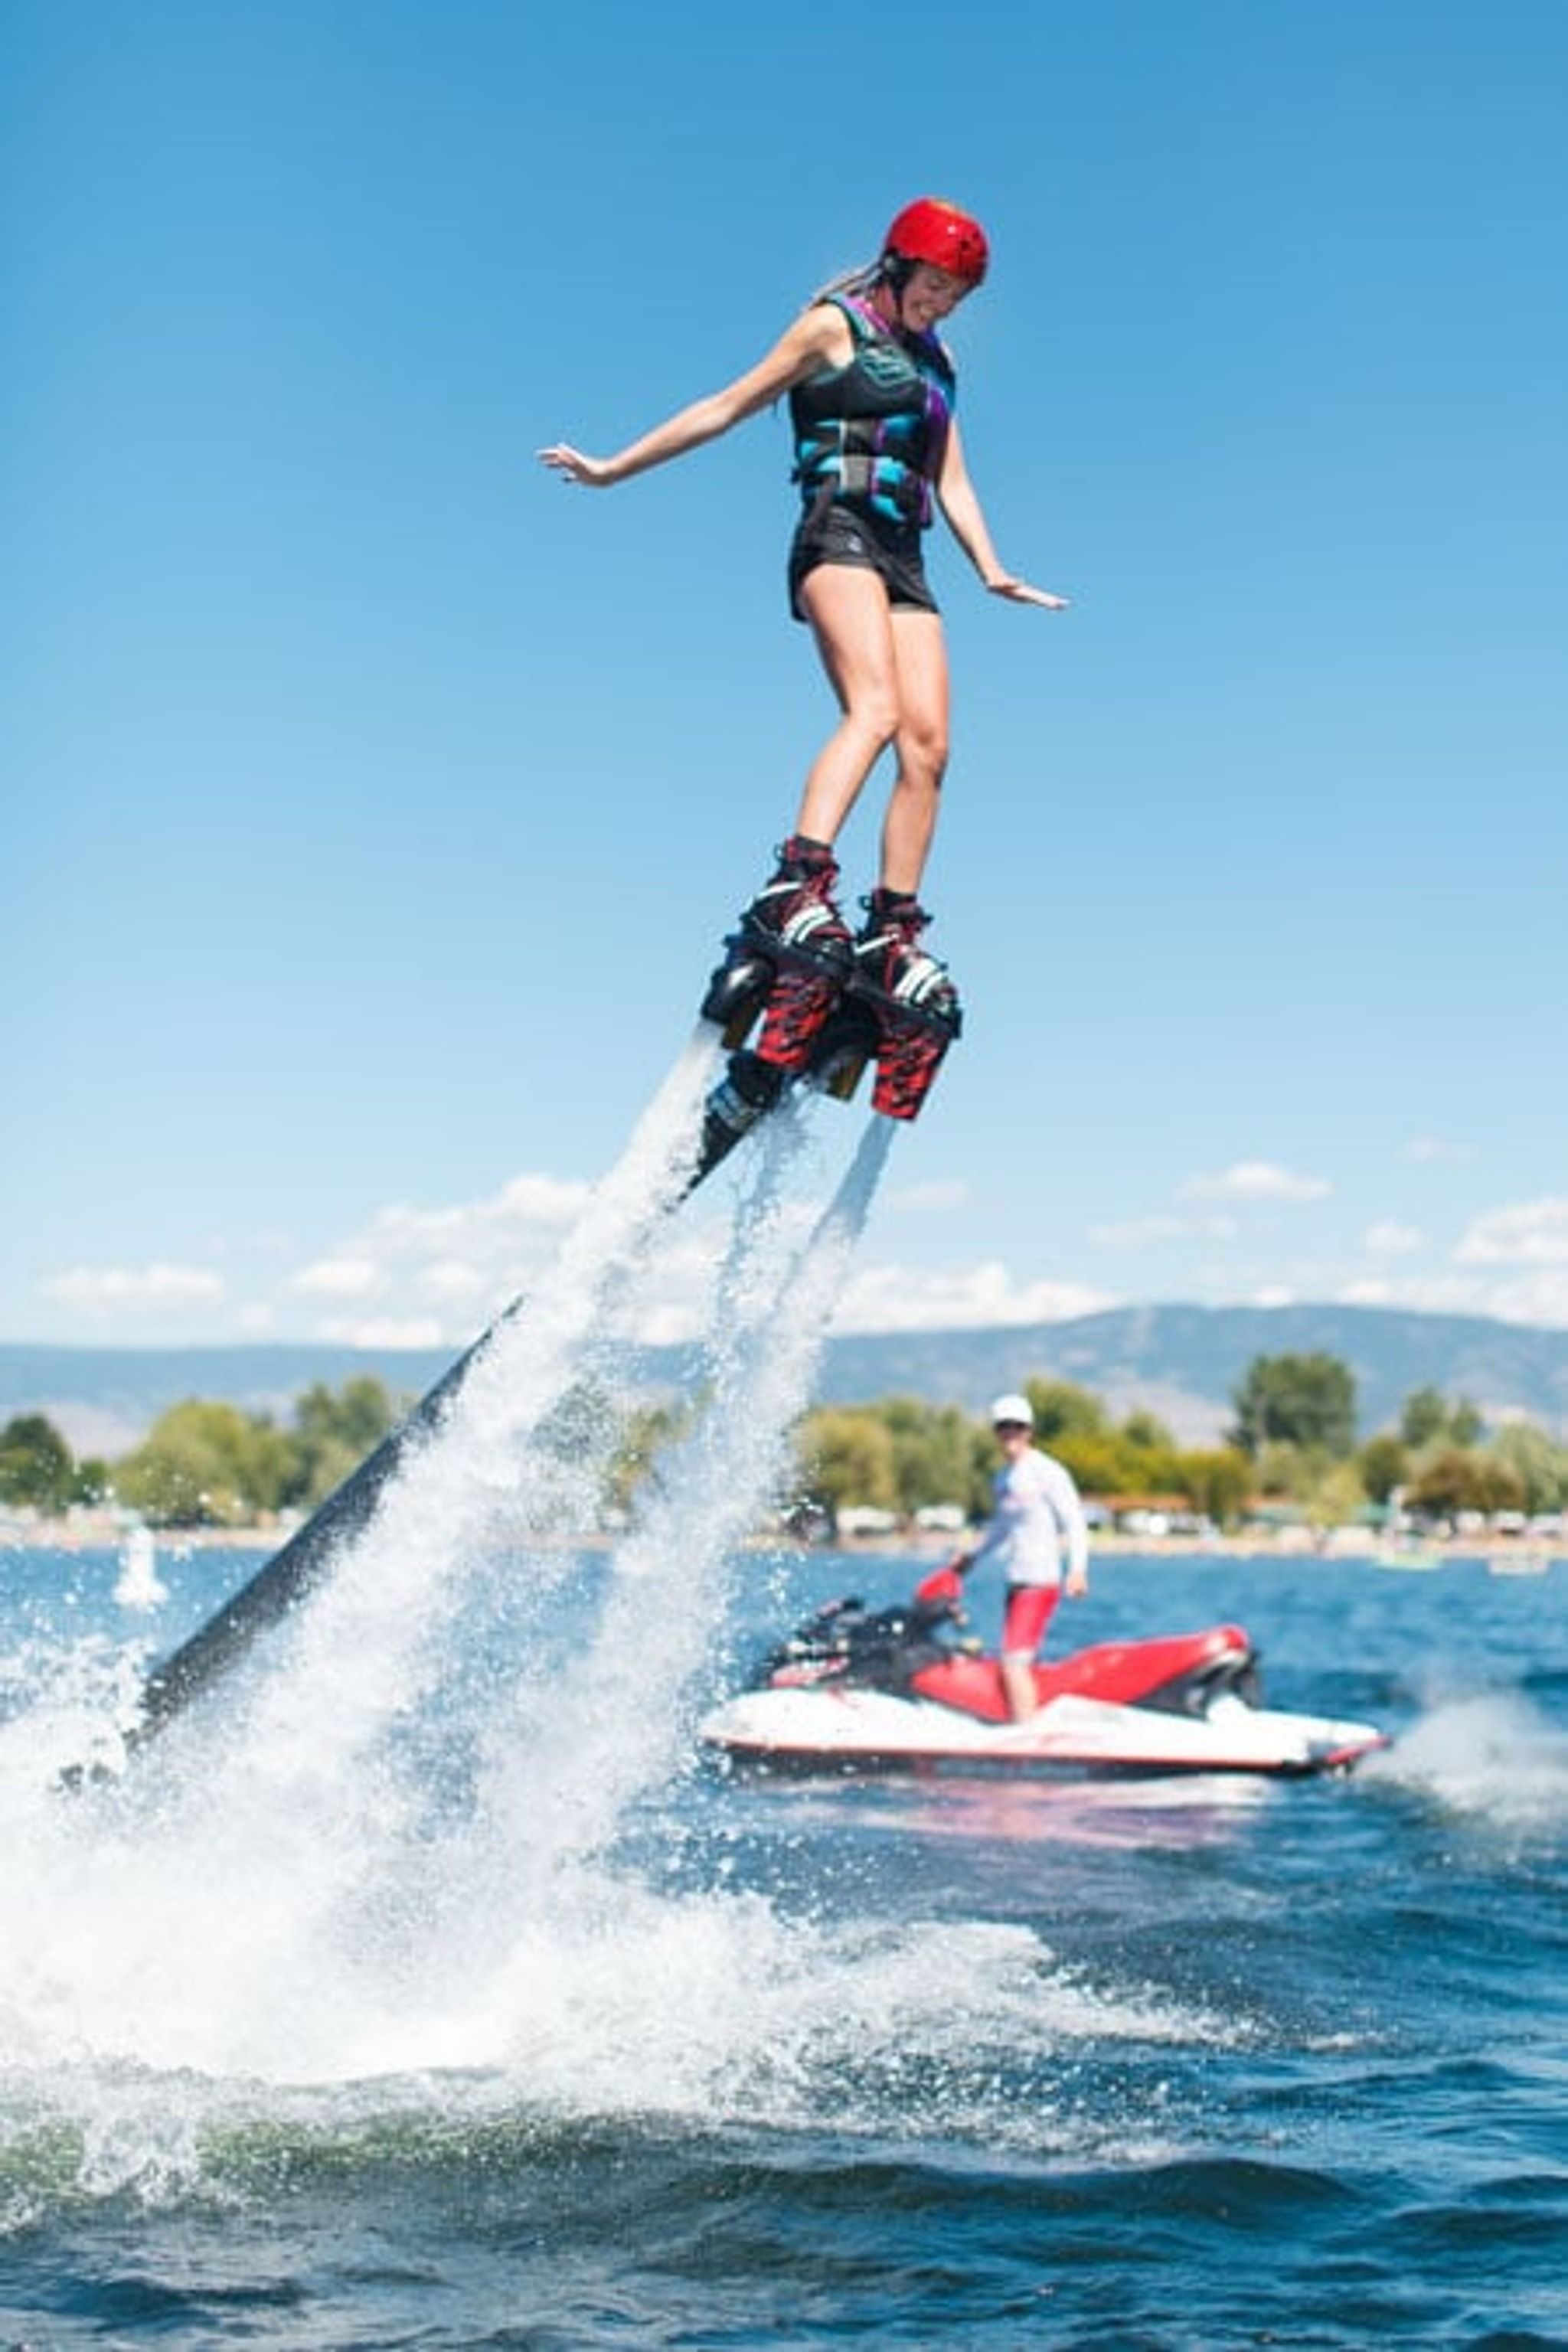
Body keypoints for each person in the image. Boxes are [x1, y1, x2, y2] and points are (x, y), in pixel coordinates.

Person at [538, 198, 1067, 1012]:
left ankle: (891, 934)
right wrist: (613, 469)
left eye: (955, 297)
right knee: (876, 710)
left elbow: (948, 478)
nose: (941, 305)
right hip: (837, 531)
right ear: (898, 265)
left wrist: (991, 569)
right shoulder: (832, 328)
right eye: (933, 287)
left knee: (928, 747)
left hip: (904, 552)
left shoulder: (938, 363)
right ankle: (797, 883)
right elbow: (724, 406)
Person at [916, 1392, 1090, 1721]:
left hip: (1041, 1581)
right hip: (1016, 1581)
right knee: (1018, 1658)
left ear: (1029, 1431)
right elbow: (1002, 1529)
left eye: (1018, 1427)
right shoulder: (1003, 1478)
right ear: (997, 1433)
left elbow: (1074, 1521)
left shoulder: (1047, 1471)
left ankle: (1029, 1738)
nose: (1011, 1433)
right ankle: (1022, 1719)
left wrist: (1077, 1570)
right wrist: (973, 1558)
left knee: (1013, 1662)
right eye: (1004, 1427)